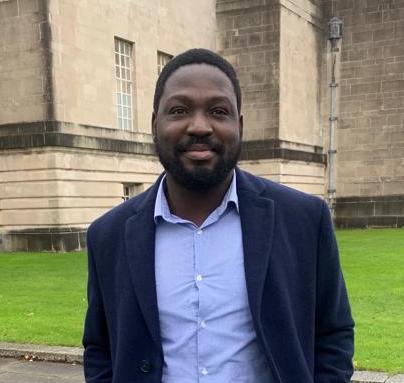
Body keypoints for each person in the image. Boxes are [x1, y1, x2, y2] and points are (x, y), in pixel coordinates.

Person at [83, 48, 354, 383]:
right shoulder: (107, 235)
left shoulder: (304, 220)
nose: (199, 126)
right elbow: (99, 347)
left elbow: (333, 333)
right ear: (155, 123)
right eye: (179, 110)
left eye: (218, 111)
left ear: (238, 125)